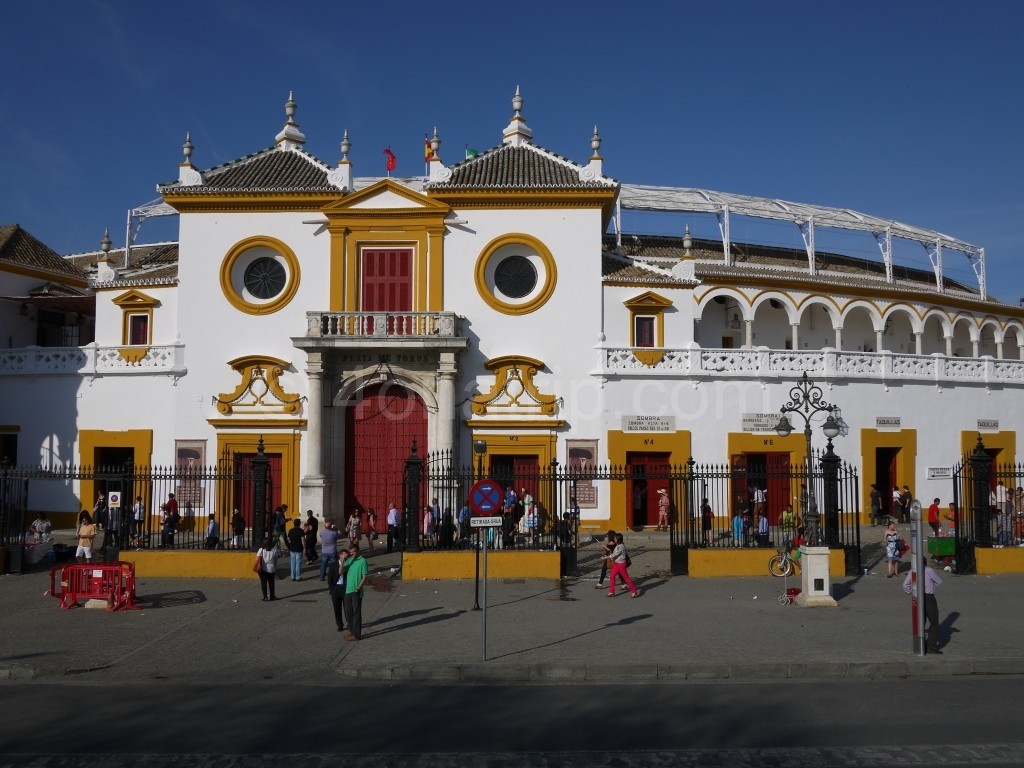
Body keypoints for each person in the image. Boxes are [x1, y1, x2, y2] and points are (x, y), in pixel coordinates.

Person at [903, 562, 943, 653]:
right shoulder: (929, 570)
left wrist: (912, 592)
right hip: (929, 598)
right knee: (933, 621)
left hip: (918, 597)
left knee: (921, 621)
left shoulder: (912, 571)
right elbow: (939, 582)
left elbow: (905, 585)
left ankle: (920, 644)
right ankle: (930, 645)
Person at [341, 541, 369, 641]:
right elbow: (341, 572)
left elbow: (365, 576)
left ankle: (357, 635)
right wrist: (343, 560)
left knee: (356, 613)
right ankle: (352, 632)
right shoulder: (349, 560)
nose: (351, 554)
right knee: (348, 612)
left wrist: (358, 588)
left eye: (353, 552)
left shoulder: (363, 561)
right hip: (348, 590)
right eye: (350, 552)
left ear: (358, 551)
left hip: (356, 591)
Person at [606, 533, 638, 598]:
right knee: (612, 576)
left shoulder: (621, 546)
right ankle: (611, 591)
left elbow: (614, 554)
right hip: (616, 564)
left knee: (626, 578)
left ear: (618, 539)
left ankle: (634, 591)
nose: (614, 539)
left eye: (615, 538)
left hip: (621, 565)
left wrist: (605, 557)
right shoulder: (618, 545)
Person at [255, 535, 279, 601]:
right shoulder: (274, 550)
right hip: (271, 569)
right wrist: (275, 567)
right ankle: (272, 596)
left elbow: (257, 559)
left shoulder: (261, 550)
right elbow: (275, 560)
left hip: (263, 569)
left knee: (263, 583)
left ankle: (265, 596)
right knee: (271, 583)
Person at [326, 552, 345, 632]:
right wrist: (332, 589)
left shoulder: (348, 565)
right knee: (337, 609)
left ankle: (350, 623)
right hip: (336, 588)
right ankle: (340, 625)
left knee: (347, 609)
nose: (345, 557)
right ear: (340, 555)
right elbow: (329, 578)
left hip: (345, 588)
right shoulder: (333, 565)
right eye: (344, 555)